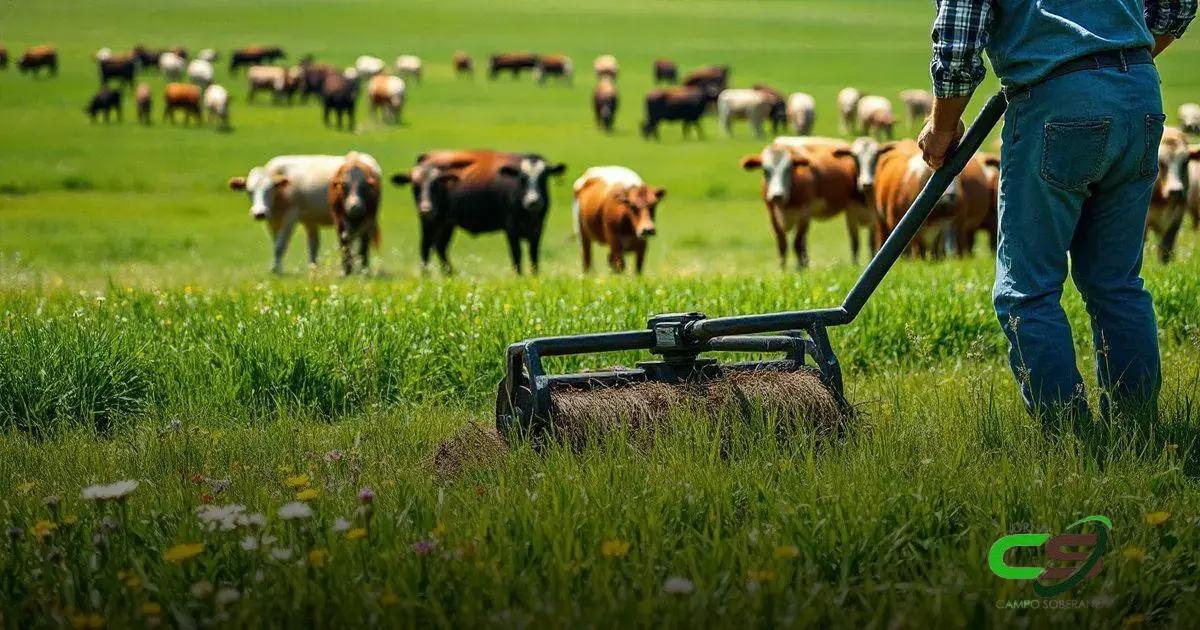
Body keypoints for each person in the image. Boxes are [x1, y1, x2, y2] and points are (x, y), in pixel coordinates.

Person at [918, 0, 1196, 419]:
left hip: (1054, 98)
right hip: (1138, 92)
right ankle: (1138, 426)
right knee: (1116, 282)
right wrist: (1112, 57)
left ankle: (1069, 435)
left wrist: (941, 127)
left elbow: (959, 35)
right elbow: (1179, 4)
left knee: (1027, 291)